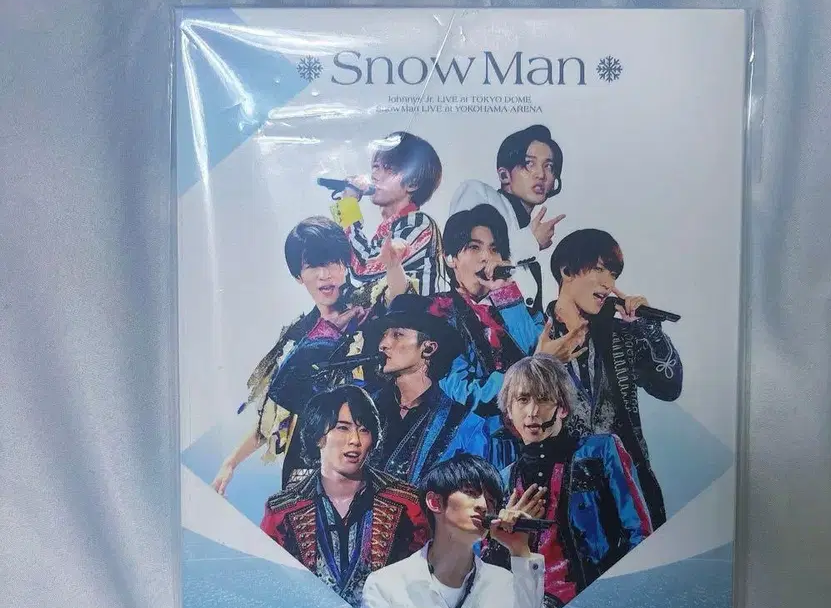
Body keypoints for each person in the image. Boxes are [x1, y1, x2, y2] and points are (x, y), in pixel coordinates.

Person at [211, 216, 413, 494]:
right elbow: (275, 415)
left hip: (368, 458)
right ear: (298, 275)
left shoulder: (368, 304)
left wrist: (393, 265)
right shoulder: (298, 335)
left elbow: (400, 299)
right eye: (313, 266)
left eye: (332, 263)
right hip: (307, 467)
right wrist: (232, 462)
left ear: (345, 265)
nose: (324, 275)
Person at [361, 454, 546, 608]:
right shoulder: (385, 584)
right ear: (435, 502)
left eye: (490, 500)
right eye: (471, 493)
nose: (483, 505)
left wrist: (520, 550)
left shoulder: (500, 582)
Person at [489, 354, 653, 608]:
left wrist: (623, 602)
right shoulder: (503, 479)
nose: (532, 412)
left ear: (562, 408)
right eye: (522, 400)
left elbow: (639, 532)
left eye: (543, 399)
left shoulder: (600, 451)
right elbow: (489, 568)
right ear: (509, 411)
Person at [428, 204, 586, 468]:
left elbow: (539, 349)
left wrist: (505, 294)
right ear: (450, 257)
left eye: (494, 249)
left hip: (535, 443)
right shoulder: (436, 314)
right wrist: (535, 365)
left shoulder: (517, 305)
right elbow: (464, 392)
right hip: (476, 448)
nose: (486, 258)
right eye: (474, 248)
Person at [547, 229, 682, 528]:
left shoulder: (621, 336)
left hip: (625, 494)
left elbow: (669, 387)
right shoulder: (532, 332)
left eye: (613, 274)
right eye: (599, 269)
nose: (608, 283)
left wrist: (648, 327)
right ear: (566, 271)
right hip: (561, 498)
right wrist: (543, 362)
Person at [260, 385, 428, 608]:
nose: (355, 440)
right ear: (318, 436)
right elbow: (268, 589)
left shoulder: (406, 503)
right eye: (343, 428)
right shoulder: (283, 510)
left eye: (364, 430)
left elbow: (425, 584)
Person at [362, 293, 498, 481]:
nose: (383, 345)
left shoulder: (464, 424)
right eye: (384, 335)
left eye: (397, 334)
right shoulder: (366, 407)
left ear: (428, 348)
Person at [449, 124, 566, 310]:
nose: (541, 174)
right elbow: (468, 262)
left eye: (549, 166)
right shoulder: (478, 193)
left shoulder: (527, 233)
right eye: (529, 164)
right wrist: (530, 242)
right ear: (504, 175)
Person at [332, 130, 447, 298]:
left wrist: (348, 206)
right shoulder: (386, 232)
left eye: (387, 168)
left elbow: (364, 266)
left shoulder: (419, 224)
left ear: (413, 182)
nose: (374, 176)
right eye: (375, 167)